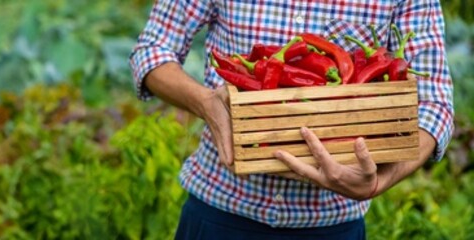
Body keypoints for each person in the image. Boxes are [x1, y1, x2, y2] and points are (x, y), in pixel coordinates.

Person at [129, 0, 452, 239]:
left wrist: (382, 180)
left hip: (333, 227)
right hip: (220, 213)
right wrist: (206, 103)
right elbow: (152, 50)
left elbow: (435, 104)